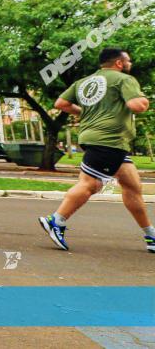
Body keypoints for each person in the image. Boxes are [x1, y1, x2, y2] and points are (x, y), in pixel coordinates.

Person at [38, 48, 153, 253]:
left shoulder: (83, 82)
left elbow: (61, 103)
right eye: (129, 61)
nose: (131, 64)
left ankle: (150, 234)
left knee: (132, 188)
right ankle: (56, 220)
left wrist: (83, 112)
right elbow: (137, 105)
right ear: (119, 63)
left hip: (101, 140)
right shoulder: (123, 79)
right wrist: (145, 101)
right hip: (109, 140)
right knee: (91, 184)